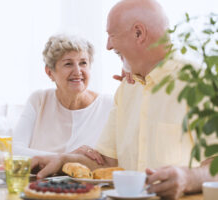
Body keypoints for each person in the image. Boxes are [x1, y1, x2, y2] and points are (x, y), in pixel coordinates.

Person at [30, 0, 218, 199]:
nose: (108, 45)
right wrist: (63, 160)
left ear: (139, 33)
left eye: (112, 35)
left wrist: (188, 178)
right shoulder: (126, 89)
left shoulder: (198, 83)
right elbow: (109, 164)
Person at [12, 34, 113, 162]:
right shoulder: (39, 100)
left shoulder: (109, 105)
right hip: (39, 181)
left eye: (83, 63)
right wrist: (66, 158)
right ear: (50, 73)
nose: (77, 71)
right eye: (68, 64)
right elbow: (14, 151)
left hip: (91, 182)